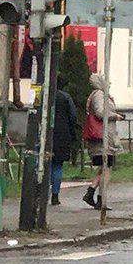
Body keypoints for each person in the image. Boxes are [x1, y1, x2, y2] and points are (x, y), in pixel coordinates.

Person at [82, 74, 123, 210]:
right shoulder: (99, 94)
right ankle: (98, 197)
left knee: (104, 168)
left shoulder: (99, 94)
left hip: (104, 137)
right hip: (103, 138)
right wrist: (115, 116)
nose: (109, 84)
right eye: (107, 82)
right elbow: (100, 112)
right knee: (106, 168)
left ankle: (92, 193)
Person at [51, 76, 79, 206]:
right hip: (62, 134)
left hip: (44, 133)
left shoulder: (44, 94)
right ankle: (55, 195)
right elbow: (73, 117)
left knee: (43, 164)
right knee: (57, 165)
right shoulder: (65, 97)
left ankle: (40, 192)